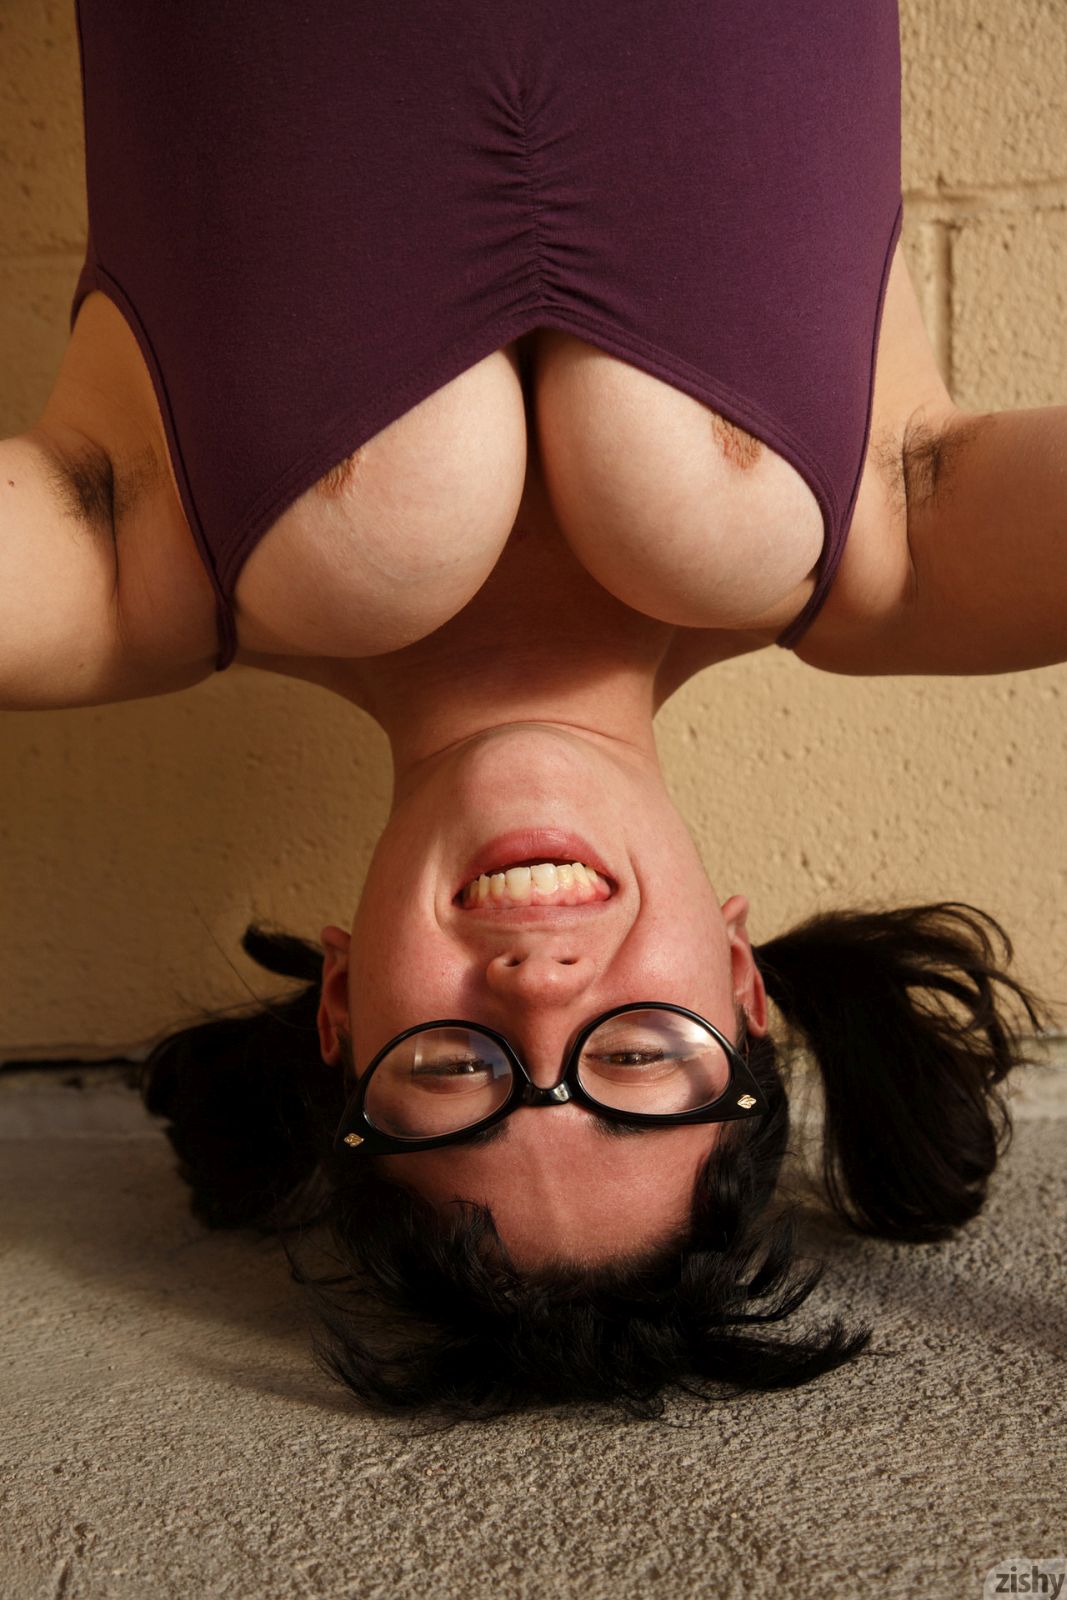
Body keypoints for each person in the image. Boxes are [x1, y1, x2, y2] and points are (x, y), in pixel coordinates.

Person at [3, 1, 1063, 1416]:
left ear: (341, 1013)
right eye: (639, 1055)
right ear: (740, 983)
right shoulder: (902, 555)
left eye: (454, 1069)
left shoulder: (126, 575)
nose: (543, 987)